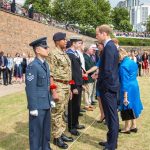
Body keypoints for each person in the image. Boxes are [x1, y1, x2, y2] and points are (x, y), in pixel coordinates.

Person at [47, 32, 73, 149]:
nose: (66, 41)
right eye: (64, 39)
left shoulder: (64, 53)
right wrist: (53, 91)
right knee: (57, 112)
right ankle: (56, 137)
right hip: (58, 86)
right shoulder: (52, 54)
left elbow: (69, 73)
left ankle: (61, 133)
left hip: (66, 86)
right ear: (57, 41)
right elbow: (50, 74)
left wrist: (70, 88)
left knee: (63, 112)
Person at [25, 37, 52, 150]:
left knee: (46, 130)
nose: (47, 49)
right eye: (45, 48)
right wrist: (32, 107)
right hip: (37, 105)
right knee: (36, 132)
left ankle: (45, 147)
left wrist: (50, 100)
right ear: (37, 50)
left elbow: (46, 85)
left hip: (45, 103)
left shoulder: (45, 64)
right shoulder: (32, 66)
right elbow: (30, 88)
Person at [96, 24, 119, 150]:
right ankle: (111, 141)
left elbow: (108, 70)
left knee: (111, 117)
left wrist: (103, 85)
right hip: (109, 86)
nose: (96, 36)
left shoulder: (109, 47)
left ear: (104, 33)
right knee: (110, 117)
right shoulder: (109, 46)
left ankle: (112, 145)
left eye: (97, 34)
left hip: (108, 88)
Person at [119, 48, 143, 134]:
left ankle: (127, 128)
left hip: (128, 87)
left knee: (127, 106)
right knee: (132, 105)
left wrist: (125, 96)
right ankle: (134, 125)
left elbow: (125, 81)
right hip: (134, 85)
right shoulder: (132, 62)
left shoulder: (123, 66)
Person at [66, 36, 85, 136]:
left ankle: (76, 123)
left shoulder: (75, 53)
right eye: (79, 43)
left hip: (79, 82)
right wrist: (73, 87)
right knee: (72, 106)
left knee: (77, 105)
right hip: (74, 84)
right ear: (73, 43)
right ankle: (71, 126)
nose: (80, 45)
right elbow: (71, 72)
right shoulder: (69, 54)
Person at [86, 42, 105, 122]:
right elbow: (97, 66)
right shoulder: (101, 56)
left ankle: (106, 117)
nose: (97, 48)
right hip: (100, 80)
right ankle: (102, 115)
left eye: (98, 46)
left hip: (105, 81)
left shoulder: (106, 55)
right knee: (100, 99)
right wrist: (88, 72)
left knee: (105, 100)